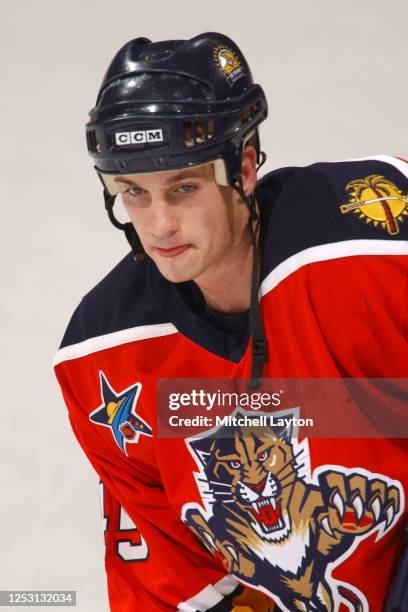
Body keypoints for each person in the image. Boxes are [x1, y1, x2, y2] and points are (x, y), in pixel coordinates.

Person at [53, 32, 408, 611]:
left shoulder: (371, 249)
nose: (160, 224)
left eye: (184, 187)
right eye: (135, 193)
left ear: (243, 169)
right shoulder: (105, 357)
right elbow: (168, 577)